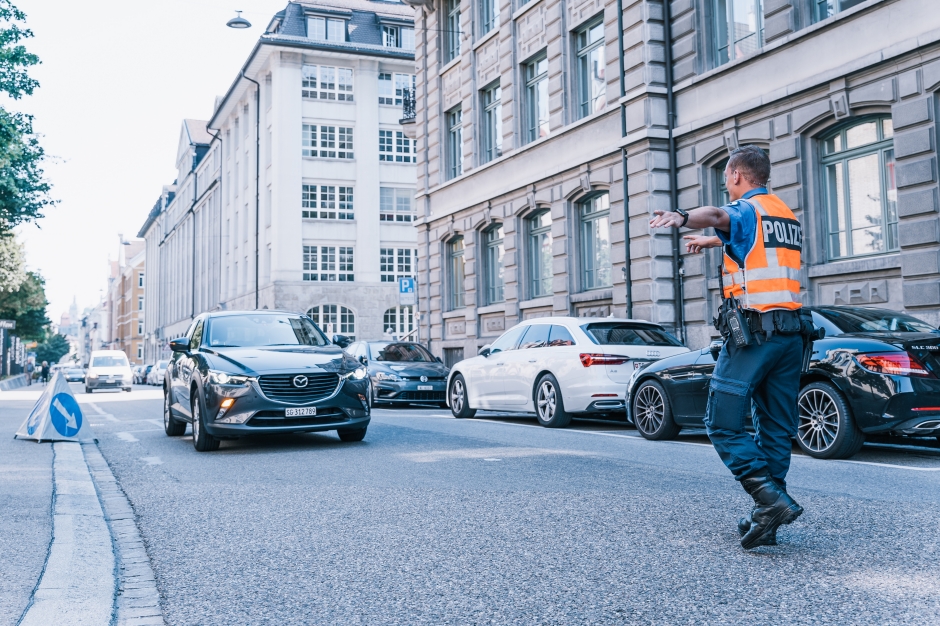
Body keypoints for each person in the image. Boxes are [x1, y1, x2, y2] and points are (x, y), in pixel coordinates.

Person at [650, 145, 804, 549]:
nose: (726, 186)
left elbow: (722, 215)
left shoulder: (745, 209)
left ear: (737, 175)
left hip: (755, 335)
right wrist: (711, 242)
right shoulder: (783, 213)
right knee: (774, 426)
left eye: (726, 179)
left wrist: (681, 217)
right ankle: (767, 517)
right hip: (791, 336)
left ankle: (770, 499)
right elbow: (753, 245)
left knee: (721, 422)